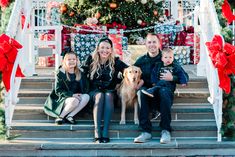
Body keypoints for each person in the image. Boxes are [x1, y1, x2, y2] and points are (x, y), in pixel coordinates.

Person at [134, 33, 188, 144]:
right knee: (141, 93)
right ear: (145, 44)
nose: (152, 44)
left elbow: (184, 75)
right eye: (149, 42)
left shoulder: (166, 57)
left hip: (164, 91)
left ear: (159, 43)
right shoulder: (141, 61)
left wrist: (172, 77)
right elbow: (131, 72)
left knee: (163, 91)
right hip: (148, 92)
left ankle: (165, 130)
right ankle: (145, 132)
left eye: (154, 42)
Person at [82, 37, 128, 143]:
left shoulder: (116, 61)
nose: (105, 50)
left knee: (107, 96)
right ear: (98, 48)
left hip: (110, 91)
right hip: (94, 91)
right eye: (102, 47)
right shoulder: (90, 59)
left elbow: (129, 70)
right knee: (99, 96)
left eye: (107, 48)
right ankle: (97, 131)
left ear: (111, 49)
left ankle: (106, 131)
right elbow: (81, 73)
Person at [141, 48, 189, 120]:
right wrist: (153, 82)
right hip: (159, 86)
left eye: (170, 57)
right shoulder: (158, 66)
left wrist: (183, 82)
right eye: (166, 57)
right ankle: (155, 110)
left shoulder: (175, 66)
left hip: (169, 87)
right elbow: (153, 74)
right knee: (156, 94)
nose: (168, 59)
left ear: (173, 58)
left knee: (163, 82)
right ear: (162, 58)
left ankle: (152, 90)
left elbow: (181, 74)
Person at [44, 52, 90, 125]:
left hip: (76, 96)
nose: (72, 61)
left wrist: (79, 94)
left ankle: (70, 115)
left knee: (86, 97)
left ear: (77, 60)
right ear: (64, 61)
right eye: (69, 59)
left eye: (74, 59)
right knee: (74, 101)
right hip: (63, 97)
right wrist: (72, 95)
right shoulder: (61, 73)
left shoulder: (80, 72)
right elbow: (58, 90)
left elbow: (85, 87)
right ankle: (60, 117)